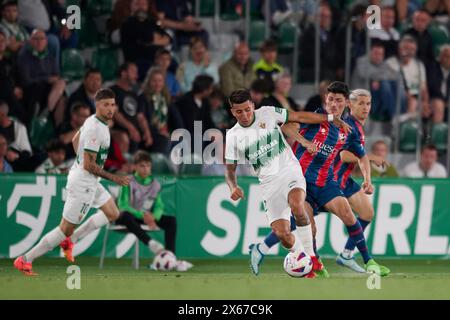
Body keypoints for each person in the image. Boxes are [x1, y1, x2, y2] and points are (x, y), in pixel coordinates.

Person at [249, 83, 390, 277]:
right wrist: (305, 142)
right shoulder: (315, 118)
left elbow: (362, 156)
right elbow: (287, 127)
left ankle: (369, 261)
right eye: (330, 99)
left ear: (346, 103)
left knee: (349, 215)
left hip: (326, 182)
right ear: (325, 100)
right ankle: (314, 264)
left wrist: (368, 179)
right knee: (308, 226)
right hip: (301, 181)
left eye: (338, 100)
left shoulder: (348, 130)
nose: (333, 103)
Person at [225, 88, 351, 277]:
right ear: (232, 111)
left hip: (290, 171)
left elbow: (299, 116)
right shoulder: (233, 136)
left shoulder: (267, 113)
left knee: (297, 206)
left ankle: (311, 258)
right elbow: (230, 170)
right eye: (239, 111)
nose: (244, 115)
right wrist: (233, 186)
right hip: (268, 184)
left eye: (247, 109)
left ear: (252, 105)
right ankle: (304, 258)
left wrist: (331, 118)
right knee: (283, 234)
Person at [14, 88, 131, 275]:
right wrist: (114, 177)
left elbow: (76, 140)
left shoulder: (93, 120)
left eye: (112, 104)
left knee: (112, 212)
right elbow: (89, 165)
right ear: (97, 105)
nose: (110, 108)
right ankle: (25, 259)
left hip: (88, 179)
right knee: (64, 229)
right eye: (106, 104)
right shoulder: (96, 129)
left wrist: (80, 162)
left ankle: (71, 241)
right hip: (84, 182)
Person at [115, 150, 192, 271]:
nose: (146, 169)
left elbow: (159, 206)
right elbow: (122, 205)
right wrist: (142, 215)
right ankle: (151, 244)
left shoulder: (155, 184)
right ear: (135, 167)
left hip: (148, 218)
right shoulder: (127, 182)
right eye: (142, 166)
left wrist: (154, 217)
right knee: (125, 215)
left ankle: (170, 259)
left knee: (171, 220)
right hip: (131, 219)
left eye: (148, 166)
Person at [17, 29, 66, 127]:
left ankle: (54, 120)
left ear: (46, 41)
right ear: (30, 41)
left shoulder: (49, 56)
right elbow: (26, 80)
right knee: (56, 94)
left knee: (62, 89)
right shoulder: (24, 56)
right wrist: (46, 79)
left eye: (42, 39)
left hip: (49, 89)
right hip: (33, 88)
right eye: (36, 39)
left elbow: (56, 75)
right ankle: (47, 110)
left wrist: (51, 80)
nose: (39, 41)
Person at [120, 0, 170, 80]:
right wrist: (157, 39)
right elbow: (148, 37)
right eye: (137, 4)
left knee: (172, 64)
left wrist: (153, 40)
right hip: (137, 62)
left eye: (143, 4)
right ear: (131, 6)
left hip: (155, 61)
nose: (141, 7)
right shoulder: (127, 23)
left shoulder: (151, 22)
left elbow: (168, 39)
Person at [110, 62, 153, 154]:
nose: (136, 76)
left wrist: (147, 132)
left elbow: (140, 117)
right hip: (118, 130)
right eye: (133, 72)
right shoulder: (112, 91)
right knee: (124, 138)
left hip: (135, 133)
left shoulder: (134, 94)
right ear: (123, 73)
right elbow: (115, 113)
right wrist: (131, 128)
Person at [0, 100, 32, 171]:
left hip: (15, 163)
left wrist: (16, 156)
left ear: (3, 114)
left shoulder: (19, 128)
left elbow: (26, 153)